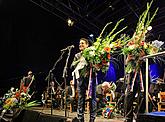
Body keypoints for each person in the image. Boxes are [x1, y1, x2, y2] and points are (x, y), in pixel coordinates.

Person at [71, 37, 96, 122]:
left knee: (92, 99)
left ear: (87, 45)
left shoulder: (92, 54)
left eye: (82, 43)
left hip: (91, 79)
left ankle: (92, 119)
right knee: (81, 99)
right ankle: (80, 119)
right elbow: (73, 67)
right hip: (81, 80)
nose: (80, 44)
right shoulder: (77, 56)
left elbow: (97, 67)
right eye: (79, 43)